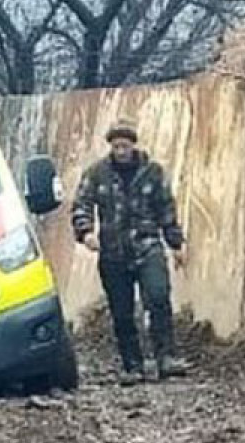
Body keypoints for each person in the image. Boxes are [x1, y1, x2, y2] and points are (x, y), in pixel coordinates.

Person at [71, 121, 188, 384]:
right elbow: (82, 203)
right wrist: (86, 231)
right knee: (122, 312)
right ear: (110, 146)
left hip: (148, 246)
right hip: (113, 253)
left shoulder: (153, 173)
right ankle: (132, 365)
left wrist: (176, 244)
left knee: (158, 297)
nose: (121, 150)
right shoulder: (97, 173)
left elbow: (166, 209)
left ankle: (166, 357)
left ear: (133, 145)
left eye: (125, 145)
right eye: (116, 145)